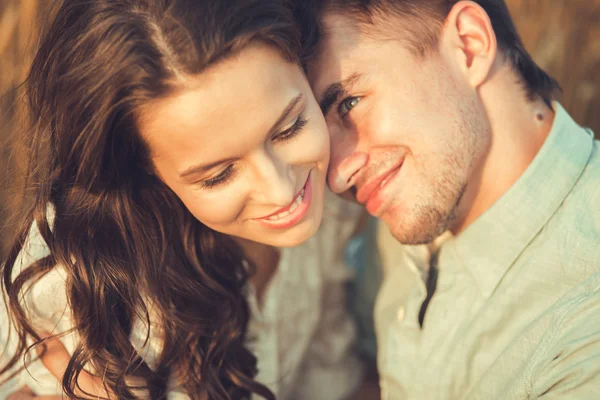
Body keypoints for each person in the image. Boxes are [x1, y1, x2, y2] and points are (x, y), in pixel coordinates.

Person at [0, 0, 366, 398]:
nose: (281, 190)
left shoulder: (332, 201)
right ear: (146, 172)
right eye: (219, 175)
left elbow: (330, 381)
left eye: (290, 128)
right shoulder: (83, 290)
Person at [297, 0, 600, 398]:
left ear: (470, 45)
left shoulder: (582, 320)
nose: (337, 176)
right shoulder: (409, 204)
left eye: (349, 104)